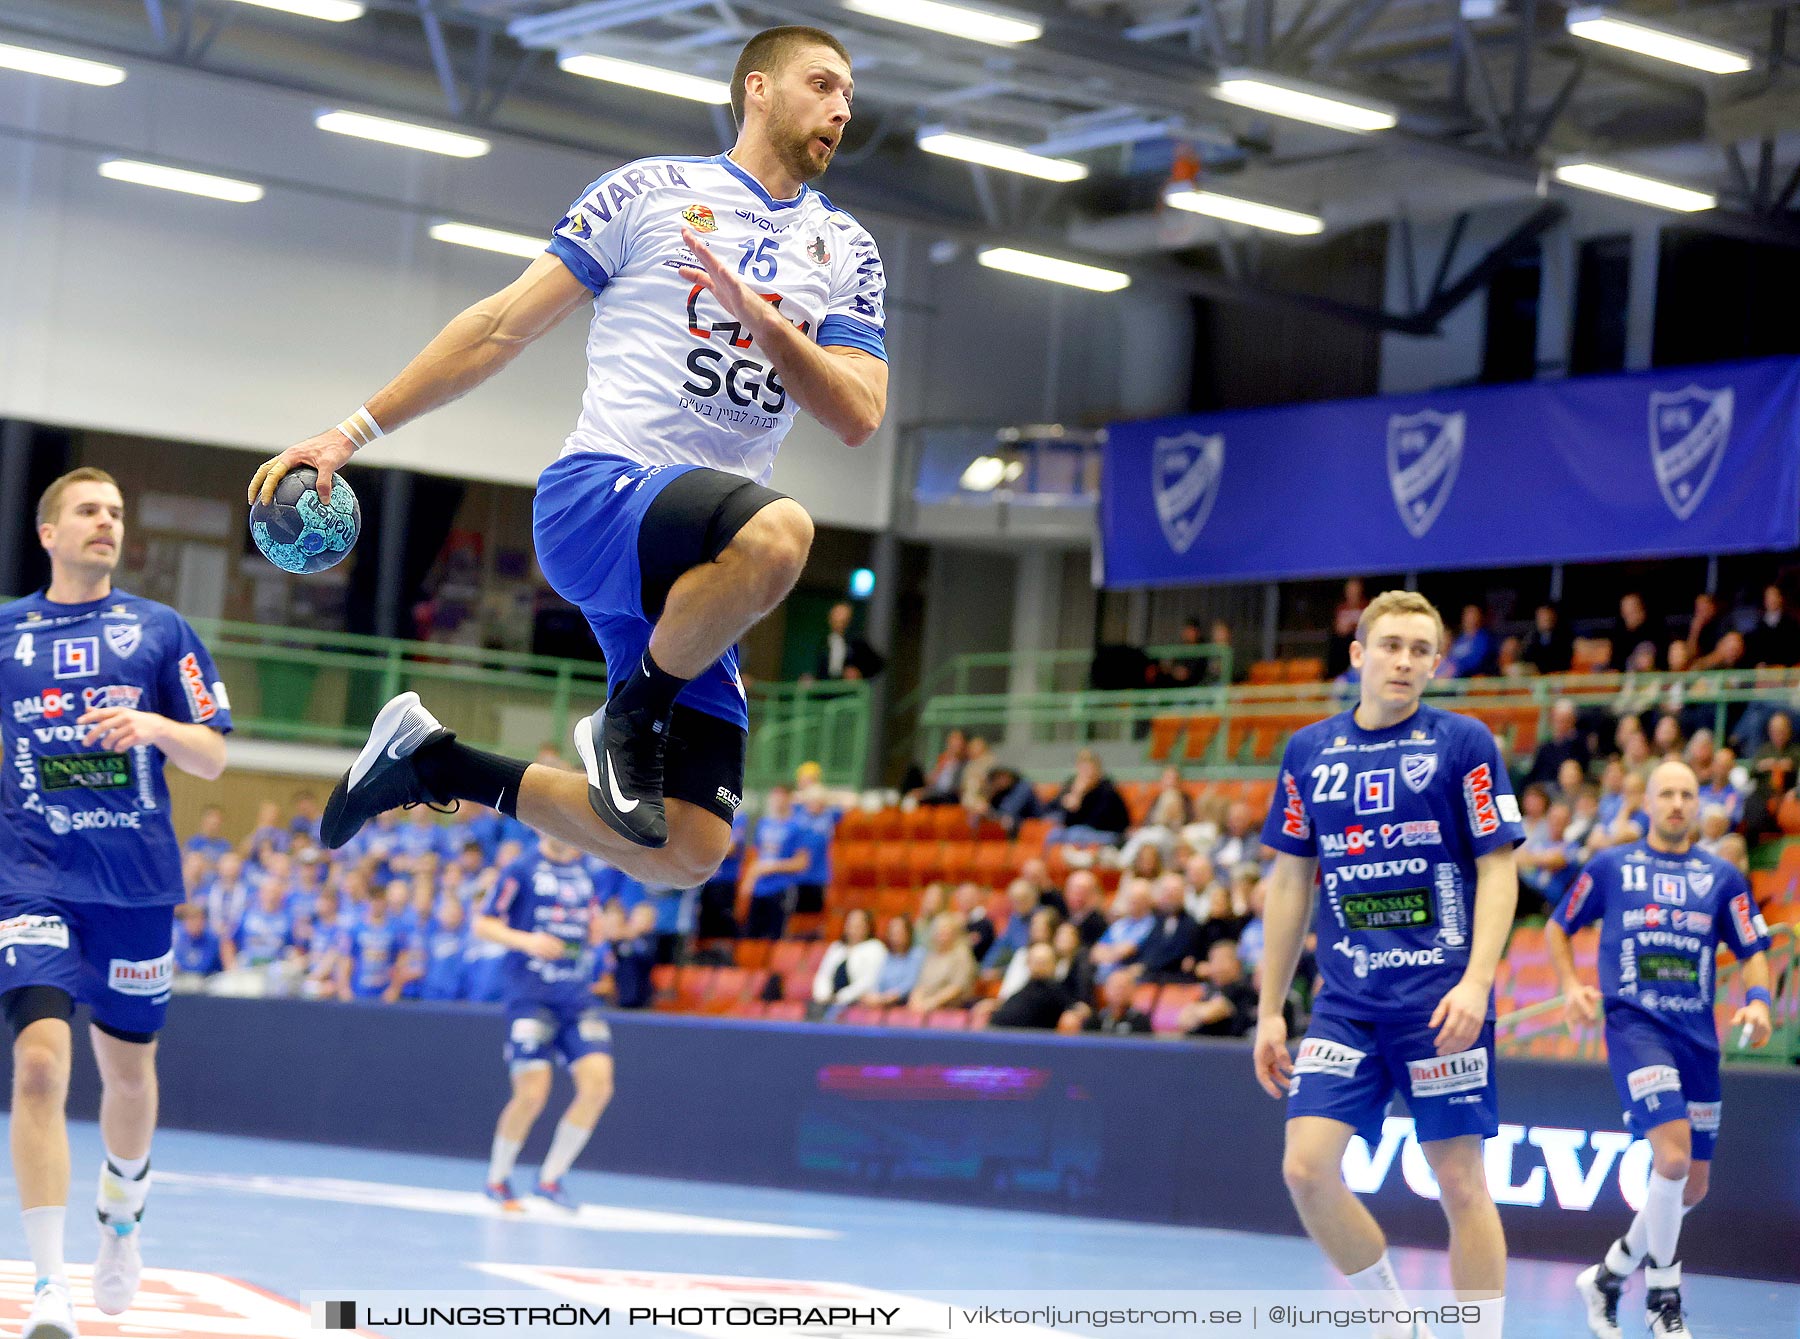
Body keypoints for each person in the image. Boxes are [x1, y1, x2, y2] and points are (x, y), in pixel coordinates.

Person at [254, 26, 886, 897]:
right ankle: (628, 717)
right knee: (784, 534)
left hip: (701, 570)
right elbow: (500, 325)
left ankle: (436, 763)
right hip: (600, 499)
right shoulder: (652, 192)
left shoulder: (847, 250)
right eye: (823, 85)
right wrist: (351, 432)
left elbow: (858, 414)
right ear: (758, 89)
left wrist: (772, 328)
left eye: (851, 95)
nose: (843, 109)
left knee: (687, 850)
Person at [0, 469, 232, 1336]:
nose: (107, 522)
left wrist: (157, 727)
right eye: (89, 511)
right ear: (48, 532)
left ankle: (122, 1221)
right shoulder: (9, 635)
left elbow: (211, 757)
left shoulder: (159, 629)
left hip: (134, 885)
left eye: (117, 513)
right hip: (31, 878)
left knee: (127, 1074)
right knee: (38, 1067)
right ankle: (49, 1287)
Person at [1254, 590, 1521, 1339]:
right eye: (1391, 644)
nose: (1404, 660)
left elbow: (1499, 870)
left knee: (1462, 1182)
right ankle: (1396, 1324)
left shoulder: (1466, 742)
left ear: (1436, 662)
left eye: (1419, 649)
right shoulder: (1309, 751)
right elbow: (1287, 881)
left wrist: (1476, 981)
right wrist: (1271, 1007)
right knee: (1305, 1168)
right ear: (1359, 654)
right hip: (1345, 1002)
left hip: (1441, 1002)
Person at [1547, 761, 1774, 1339]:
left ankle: (1606, 1275)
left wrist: (1758, 1000)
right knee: (1671, 1160)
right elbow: (1557, 927)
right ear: (1646, 802)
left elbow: (1752, 949)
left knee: (1691, 1184)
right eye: (1666, 793)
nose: (1676, 803)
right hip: (1635, 1027)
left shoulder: (1722, 877)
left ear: (1699, 805)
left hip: (1696, 1036)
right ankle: (1662, 1297)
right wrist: (1572, 986)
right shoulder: (1611, 866)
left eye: (1687, 794)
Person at [475, 833, 614, 1211]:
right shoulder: (521, 869)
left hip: (576, 995)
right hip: (530, 995)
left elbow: (592, 922)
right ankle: (498, 1178)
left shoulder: (587, 870)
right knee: (532, 1093)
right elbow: (483, 924)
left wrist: (597, 931)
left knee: (598, 1085)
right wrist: (526, 940)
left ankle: (551, 1178)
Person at [810, 908, 886, 1015]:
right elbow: (823, 975)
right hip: (828, 1001)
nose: (853, 929)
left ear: (868, 927)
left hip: (857, 1002)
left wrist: (841, 998)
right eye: (850, 924)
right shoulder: (836, 947)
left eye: (858, 925)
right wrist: (823, 996)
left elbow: (868, 981)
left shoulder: (875, 948)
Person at [811, 600, 885, 682]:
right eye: (836, 616)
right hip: (824, 691)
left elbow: (878, 664)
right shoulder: (823, 642)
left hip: (848, 692)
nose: (840, 621)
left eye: (844, 619)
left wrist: (859, 673)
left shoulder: (857, 643)